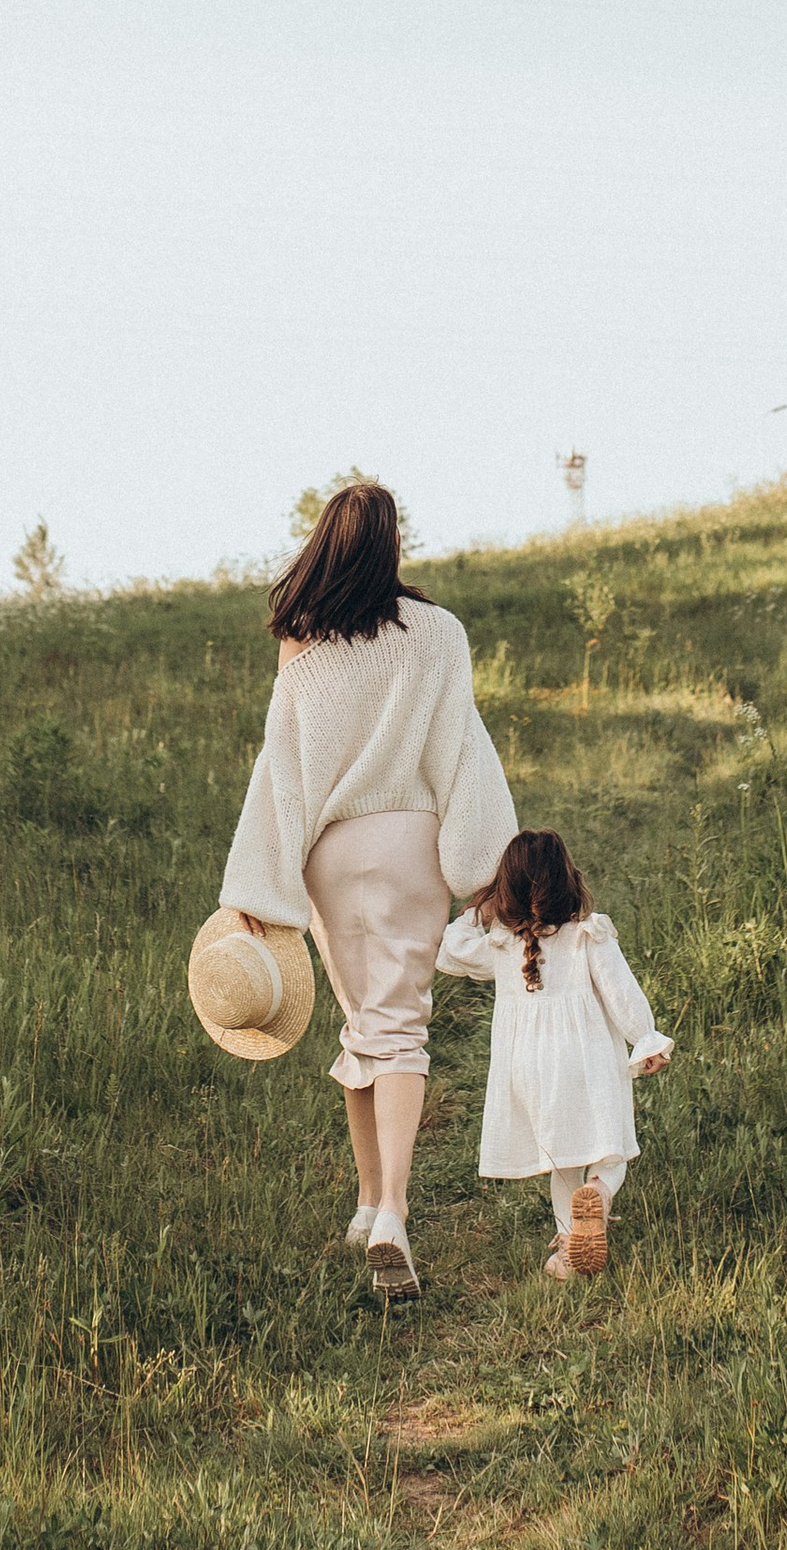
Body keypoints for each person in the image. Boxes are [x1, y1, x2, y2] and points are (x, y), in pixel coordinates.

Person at [220, 482, 516, 1301]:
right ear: (393, 542)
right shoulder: (440, 633)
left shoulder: (301, 643)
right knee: (399, 1029)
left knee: (363, 1025)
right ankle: (395, 1212)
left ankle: (365, 1203)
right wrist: (485, 865)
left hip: (328, 852)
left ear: (325, 541)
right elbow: (465, 751)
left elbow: (281, 769)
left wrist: (259, 884)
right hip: (410, 843)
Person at [434, 827, 672, 1280]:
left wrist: (477, 909)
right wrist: (646, 1039)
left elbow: (451, 951)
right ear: (568, 878)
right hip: (588, 1059)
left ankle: (568, 1249)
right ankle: (598, 1199)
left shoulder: (503, 945)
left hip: (530, 1068)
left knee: (562, 1159)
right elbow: (622, 993)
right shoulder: (588, 934)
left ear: (506, 889)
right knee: (610, 1148)